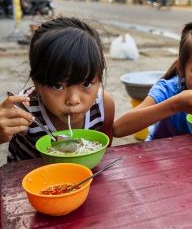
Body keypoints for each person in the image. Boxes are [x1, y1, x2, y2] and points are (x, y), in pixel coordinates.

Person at [0, 17, 115, 162]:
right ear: (36, 83)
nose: (73, 100)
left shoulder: (104, 107)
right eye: (58, 86)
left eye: (86, 84)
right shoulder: (24, 111)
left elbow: (105, 154)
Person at [113, 19, 192, 140]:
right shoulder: (168, 90)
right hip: (161, 155)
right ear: (181, 68)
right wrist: (174, 105)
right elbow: (118, 129)